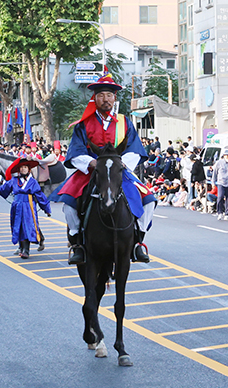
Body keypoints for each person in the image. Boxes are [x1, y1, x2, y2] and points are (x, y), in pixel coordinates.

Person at [50, 73, 155, 264]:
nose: (105, 99)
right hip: (91, 171)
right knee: (69, 207)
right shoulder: (83, 124)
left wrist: (122, 163)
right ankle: (77, 244)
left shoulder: (125, 122)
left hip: (119, 171)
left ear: (114, 98)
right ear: (95, 98)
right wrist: (90, 163)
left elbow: (134, 148)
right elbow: (76, 150)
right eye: (101, 95)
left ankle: (138, 241)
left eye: (109, 95)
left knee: (149, 200)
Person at [0, 158, 52, 259]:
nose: (23, 169)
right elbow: (4, 188)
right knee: (18, 226)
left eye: (25, 167)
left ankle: (26, 250)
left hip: (28, 206)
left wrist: (46, 208)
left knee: (27, 227)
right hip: (16, 206)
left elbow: (40, 196)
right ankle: (21, 247)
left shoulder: (33, 182)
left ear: (29, 169)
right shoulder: (14, 180)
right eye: (21, 168)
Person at [214, 149, 228, 220]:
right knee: (220, 197)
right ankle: (220, 212)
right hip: (221, 182)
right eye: (227, 156)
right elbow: (215, 173)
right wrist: (213, 182)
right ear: (224, 156)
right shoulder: (218, 163)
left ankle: (227, 214)